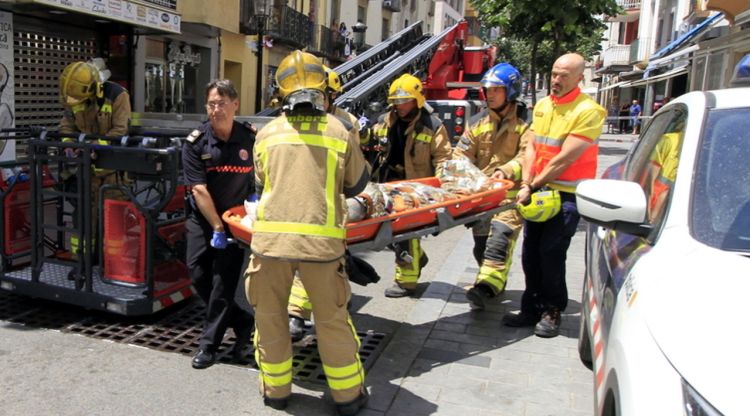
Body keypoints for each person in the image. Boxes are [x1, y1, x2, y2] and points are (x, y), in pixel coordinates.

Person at [245, 50, 370, 414]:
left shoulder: (266, 135)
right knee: (332, 322)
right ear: (322, 89)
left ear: (280, 92)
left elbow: (261, 182)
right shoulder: (339, 130)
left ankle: (276, 393)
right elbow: (357, 184)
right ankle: (348, 398)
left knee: (270, 319)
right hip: (322, 247)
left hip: (270, 246)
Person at [503, 53, 605, 338]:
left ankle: (553, 309)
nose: (556, 80)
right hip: (538, 189)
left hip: (567, 195)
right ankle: (530, 307)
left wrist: (530, 185)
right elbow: (532, 147)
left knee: (552, 253)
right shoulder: (544, 105)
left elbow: (563, 160)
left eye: (563, 75)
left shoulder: (588, 111)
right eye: (554, 73)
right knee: (530, 253)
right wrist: (526, 182)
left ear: (579, 79)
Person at [182, 79, 256, 369]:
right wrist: (215, 226)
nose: (216, 109)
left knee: (222, 284)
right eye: (211, 104)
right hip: (203, 219)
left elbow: (262, 172)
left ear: (235, 105)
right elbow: (198, 189)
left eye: (222, 103)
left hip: (236, 220)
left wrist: (255, 199)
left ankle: (208, 346)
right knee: (196, 274)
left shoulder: (250, 137)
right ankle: (242, 320)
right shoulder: (196, 142)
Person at [286, 66, 363, 341]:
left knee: (325, 259)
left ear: (333, 97)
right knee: (303, 258)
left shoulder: (345, 125)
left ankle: (327, 312)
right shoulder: (301, 118)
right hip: (304, 198)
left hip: (333, 200)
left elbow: (353, 172)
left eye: (325, 96)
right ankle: (297, 314)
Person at [455, 63, 533, 310]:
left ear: (510, 91)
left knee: (499, 239)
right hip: (483, 196)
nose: (489, 94)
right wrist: (459, 173)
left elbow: (527, 154)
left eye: (496, 90)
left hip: (510, 197)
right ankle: (492, 282)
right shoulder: (477, 122)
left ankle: (486, 288)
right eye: (487, 89)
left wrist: (506, 170)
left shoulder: (526, 122)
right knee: (481, 247)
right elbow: (461, 153)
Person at [371, 73, 452, 298]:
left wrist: (442, 191)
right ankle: (418, 258)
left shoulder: (432, 126)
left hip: (417, 188)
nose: (399, 106)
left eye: (404, 101)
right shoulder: (385, 121)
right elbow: (370, 141)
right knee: (388, 233)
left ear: (417, 100)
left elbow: (443, 159)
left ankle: (406, 282)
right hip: (388, 184)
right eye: (395, 102)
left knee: (405, 232)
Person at [58, 60, 131, 270]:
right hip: (85, 172)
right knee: (82, 219)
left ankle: (112, 266)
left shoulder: (118, 95)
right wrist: (69, 145)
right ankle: (81, 263)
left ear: (94, 87)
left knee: (113, 222)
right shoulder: (74, 96)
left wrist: (92, 147)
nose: (73, 102)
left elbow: (119, 131)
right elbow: (66, 127)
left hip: (112, 175)